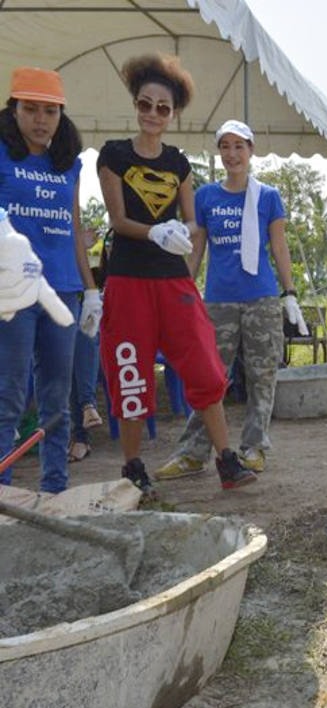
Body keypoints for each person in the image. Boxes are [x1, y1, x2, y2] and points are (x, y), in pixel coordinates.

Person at [97, 53, 255, 497]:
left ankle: (227, 459)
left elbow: (190, 221)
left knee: (205, 367)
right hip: (128, 279)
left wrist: (181, 235)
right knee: (131, 372)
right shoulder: (113, 155)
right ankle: (132, 467)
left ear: (173, 114)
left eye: (162, 108)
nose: (152, 114)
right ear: (136, 105)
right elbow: (117, 219)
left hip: (174, 281)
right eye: (145, 105)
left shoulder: (178, 163)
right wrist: (156, 232)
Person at [154, 119, 304, 480]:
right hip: (218, 301)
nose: (232, 154)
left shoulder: (267, 196)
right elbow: (196, 248)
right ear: (218, 151)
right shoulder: (206, 197)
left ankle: (254, 448)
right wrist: (183, 291)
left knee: (262, 375)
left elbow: (280, 247)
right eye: (226, 146)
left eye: (239, 146)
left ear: (251, 151)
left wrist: (290, 294)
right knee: (209, 377)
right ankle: (193, 453)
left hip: (262, 299)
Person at [0, 67, 97, 493]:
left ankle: (55, 488)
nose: (41, 120)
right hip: (14, 294)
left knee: (58, 400)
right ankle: (2, 488)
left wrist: (90, 288)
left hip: (63, 292)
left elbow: (75, 230)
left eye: (50, 111)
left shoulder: (70, 166)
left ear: (61, 116)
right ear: (14, 111)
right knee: (10, 395)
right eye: (31, 109)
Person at [68, 226, 105, 463]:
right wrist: (78, 245)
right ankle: (86, 409)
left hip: (82, 306)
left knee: (85, 337)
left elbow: (98, 278)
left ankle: (85, 415)